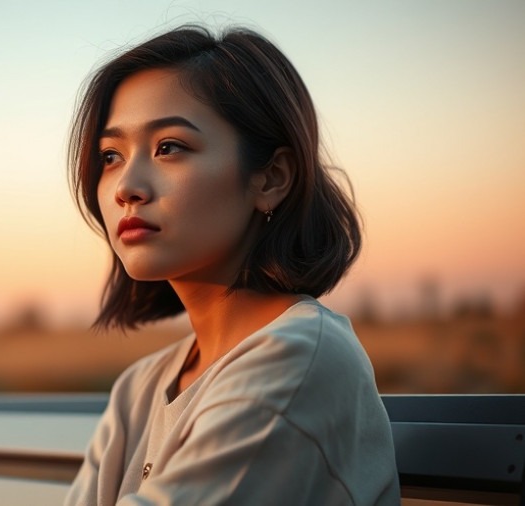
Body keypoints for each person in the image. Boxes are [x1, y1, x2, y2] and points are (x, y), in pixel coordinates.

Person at [64, 25, 400, 505]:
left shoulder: (299, 360)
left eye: (169, 147)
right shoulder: (139, 389)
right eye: (111, 156)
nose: (126, 187)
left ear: (270, 178)